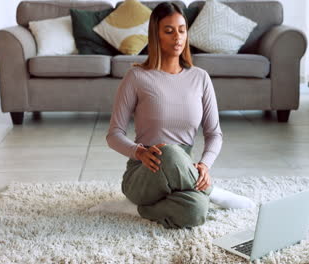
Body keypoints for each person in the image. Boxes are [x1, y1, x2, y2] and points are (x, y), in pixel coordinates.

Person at [88, 2, 255, 229]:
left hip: (183, 170)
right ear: (155, 35)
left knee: (195, 212)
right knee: (168, 152)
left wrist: (204, 165)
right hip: (146, 170)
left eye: (182, 30)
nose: (177, 37)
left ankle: (138, 209)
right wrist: (139, 152)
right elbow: (113, 135)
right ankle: (212, 192)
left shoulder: (200, 78)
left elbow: (214, 133)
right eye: (169, 31)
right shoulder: (136, 77)